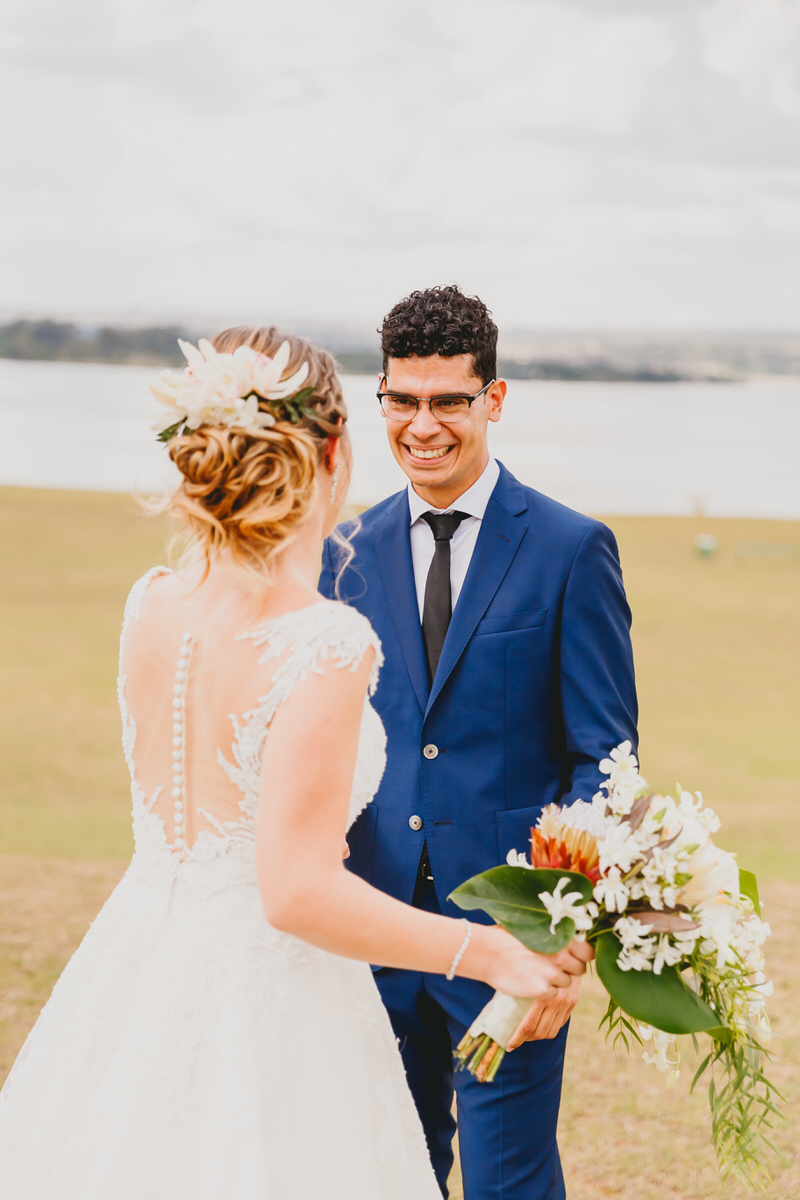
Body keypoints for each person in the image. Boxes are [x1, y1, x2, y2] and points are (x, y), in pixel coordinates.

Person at [0, 325, 592, 1200]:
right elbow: (293, 889)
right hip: (273, 987)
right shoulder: (323, 639)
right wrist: (490, 953)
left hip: (142, 962)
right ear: (332, 451)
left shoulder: (150, 604)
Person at [319, 287, 638, 1200]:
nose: (423, 426)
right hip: (373, 937)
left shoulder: (571, 549)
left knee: (509, 1184)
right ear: (381, 397)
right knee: (387, 1178)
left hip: (508, 943)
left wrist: (558, 933)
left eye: (448, 402)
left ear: (493, 399)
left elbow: (605, 763)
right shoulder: (341, 555)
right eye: (402, 400)